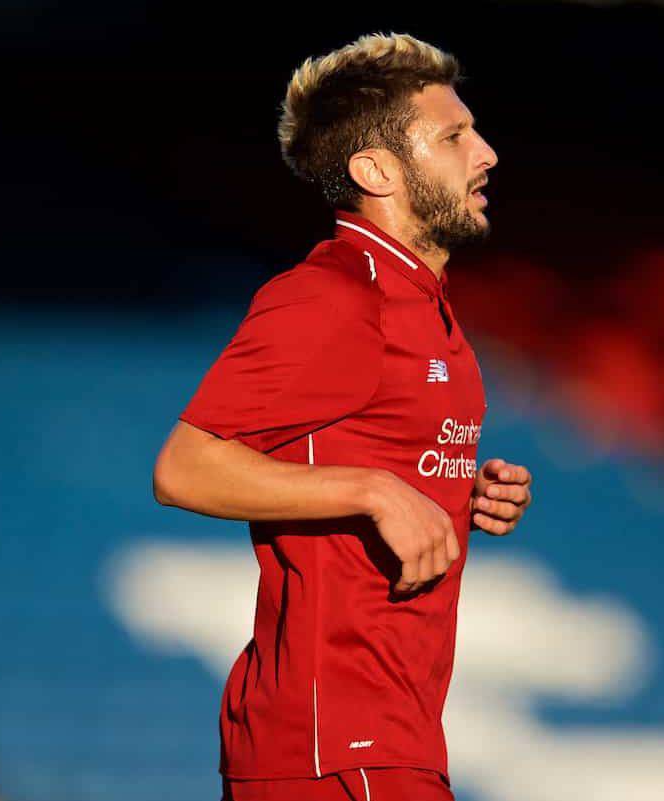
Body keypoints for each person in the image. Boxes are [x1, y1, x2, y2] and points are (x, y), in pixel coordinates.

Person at [152, 32, 533, 801]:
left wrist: (463, 489)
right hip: (332, 746)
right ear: (376, 170)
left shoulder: (430, 313)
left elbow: (353, 455)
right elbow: (184, 465)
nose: (485, 152)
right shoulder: (333, 294)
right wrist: (376, 490)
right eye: (454, 136)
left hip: (393, 739)